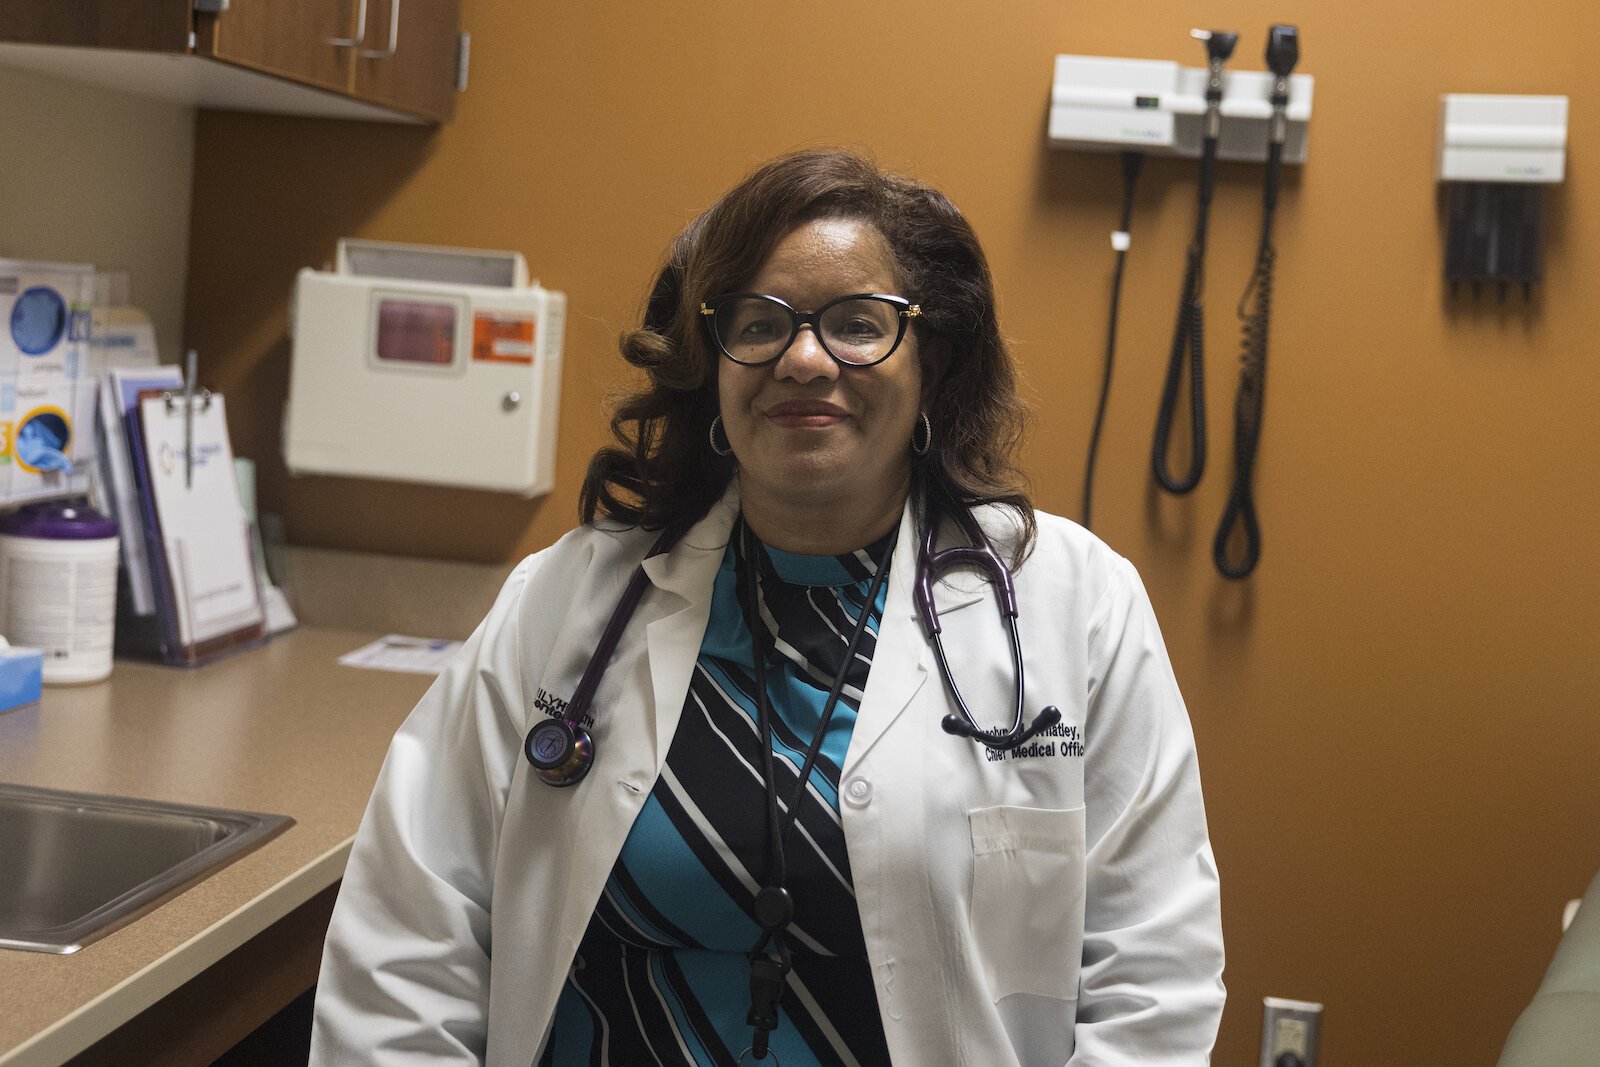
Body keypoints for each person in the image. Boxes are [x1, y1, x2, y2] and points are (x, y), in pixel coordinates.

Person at [310, 149, 1225, 1066]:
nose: (801, 359)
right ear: (713, 364)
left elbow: (1154, 978)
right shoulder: (568, 602)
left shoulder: (1074, 605)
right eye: (759, 323)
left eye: (857, 324)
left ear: (932, 364)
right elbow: (407, 938)